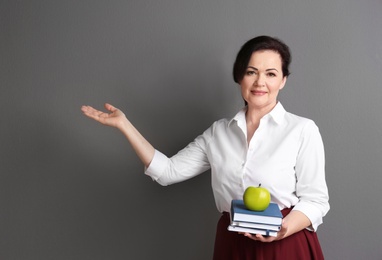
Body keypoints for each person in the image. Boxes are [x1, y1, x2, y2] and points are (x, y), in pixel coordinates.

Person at [81, 35, 329, 259]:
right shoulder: (218, 133)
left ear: (283, 80)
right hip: (233, 245)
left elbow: (316, 201)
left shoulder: (302, 130)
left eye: (271, 74)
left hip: (284, 245)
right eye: (251, 72)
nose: (260, 82)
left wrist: (282, 230)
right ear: (239, 76)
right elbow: (167, 172)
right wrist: (125, 125)